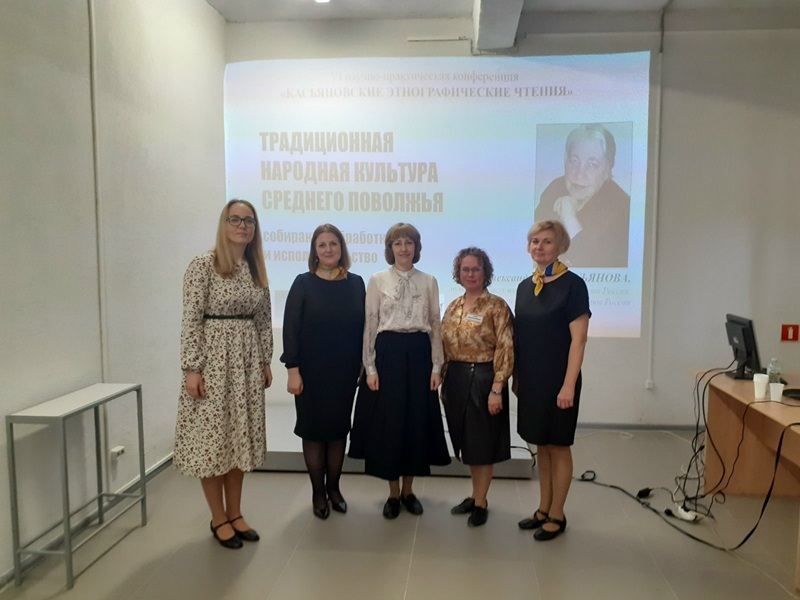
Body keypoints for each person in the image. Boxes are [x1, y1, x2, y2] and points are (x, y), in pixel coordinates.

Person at [174, 199, 273, 550]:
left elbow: (263, 319)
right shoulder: (204, 265)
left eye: (249, 221)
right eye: (236, 219)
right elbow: (191, 319)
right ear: (224, 223)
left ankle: (236, 513)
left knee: (238, 440)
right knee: (213, 443)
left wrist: (265, 360)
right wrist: (192, 368)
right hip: (213, 364)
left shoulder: (256, 268)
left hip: (246, 363)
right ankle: (218, 517)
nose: (243, 226)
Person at [349, 223, 450, 519]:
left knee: (415, 422)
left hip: (419, 354)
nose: (403, 248)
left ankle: (408, 490)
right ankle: (393, 493)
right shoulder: (377, 280)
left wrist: (436, 366)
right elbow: (371, 323)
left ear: (416, 248)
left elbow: (435, 323)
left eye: (409, 242)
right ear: (390, 248)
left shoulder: (429, 281)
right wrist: (370, 367)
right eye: (398, 243)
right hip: (388, 354)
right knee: (390, 423)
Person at [281, 224, 365, 520]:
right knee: (314, 432)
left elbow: (363, 328)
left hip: (344, 372)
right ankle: (318, 492)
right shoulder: (303, 283)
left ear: (342, 248)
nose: (328, 249)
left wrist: (363, 364)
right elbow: (290, 329)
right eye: (322, 245)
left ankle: (334, 489)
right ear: (314, 251)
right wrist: (292, 369)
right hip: (311, 373)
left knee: (338, 430)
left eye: (333, 243)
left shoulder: (356, 283)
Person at [514, 220, 590, 541]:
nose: (539, 247)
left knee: (558, 446)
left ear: (560, 247)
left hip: (560, 380)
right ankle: (543, 508)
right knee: (541, 445)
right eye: (535, 241)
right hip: (532, 381)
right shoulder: (524, 287)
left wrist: (569, 384)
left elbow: (579, 340)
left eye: (547, 241)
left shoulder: (573, 285)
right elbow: (520, 338)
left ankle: (558, 514)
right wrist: (517, 377)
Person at [441, 248, 513, 527]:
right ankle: (474, 495)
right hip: (456, 379)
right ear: (458, 273)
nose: (470, 274)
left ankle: (481, 501)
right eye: (465, 269)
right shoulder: (454, 306)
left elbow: (505, 348)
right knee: (467, 443)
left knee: (481, 444)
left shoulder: (496, 306)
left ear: (486, 272)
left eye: (476, 269)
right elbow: (444, 345)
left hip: (484, 378)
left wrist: (497, 388)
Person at [534, 123, 630, 267]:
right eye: (574, 161)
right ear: (565, 160)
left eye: (592, 164)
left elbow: (593, 264)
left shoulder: (623, 208)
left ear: (607, 170)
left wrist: (569, 217)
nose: (579, 174)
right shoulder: (554, 190)